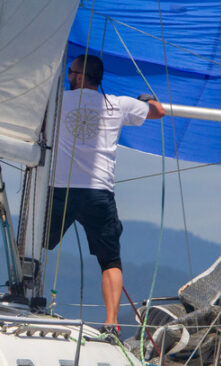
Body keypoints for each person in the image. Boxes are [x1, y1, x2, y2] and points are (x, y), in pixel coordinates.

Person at [48, 53, 165, 337]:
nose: (69, 75)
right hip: (99, 193)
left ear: (78, 76)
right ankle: (111, 322)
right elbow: (158, 111)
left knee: (34, 242)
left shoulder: (57, 100)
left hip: (61, 189)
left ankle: (21, 292)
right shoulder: (118, 104)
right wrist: (145, 97)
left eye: (71, 71)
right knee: (110, 261)